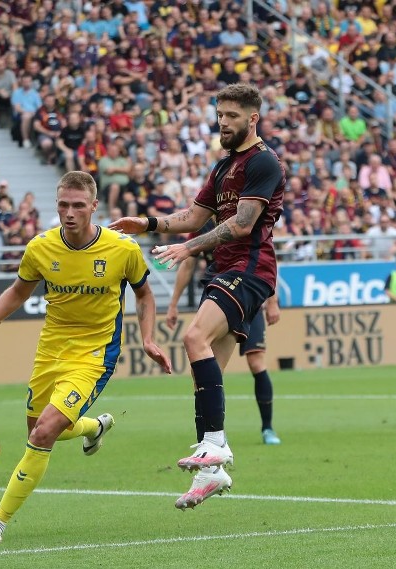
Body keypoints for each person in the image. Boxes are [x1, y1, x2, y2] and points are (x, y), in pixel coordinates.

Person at [0, 171, 171, 544]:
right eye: (63, 205)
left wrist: (148, 338)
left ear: (94, 207)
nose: (69, 213)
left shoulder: (122, 249)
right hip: (50, 349)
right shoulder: (41, 247)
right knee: (39, 430)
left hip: (94, 353)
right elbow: (18, 293)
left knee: (43, 433)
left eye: (78, 206)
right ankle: (94, 427)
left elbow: (145, 295)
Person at [110, 83, 285, 510]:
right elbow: (192, 217)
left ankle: (214, 447)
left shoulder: (264, 162)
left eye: (231, 116)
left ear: (252, 119)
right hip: (224, 270)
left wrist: (188, 247)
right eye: (220, 114)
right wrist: (146, 222)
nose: (222, 122)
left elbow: (243, 225)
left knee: (193, 339)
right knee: (204, 374)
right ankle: (212, 471)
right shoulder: (222, 167)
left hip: (249, 269)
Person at [166, 224, 282, 446]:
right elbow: (188, 264)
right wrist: (173, 304)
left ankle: (267, 428)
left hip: (247, 295)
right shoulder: (202, 223)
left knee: (256, 362)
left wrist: (273, 301)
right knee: (203, 372)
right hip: (217, 294)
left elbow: (266, 254)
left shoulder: (243, 216)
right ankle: (213, 437)